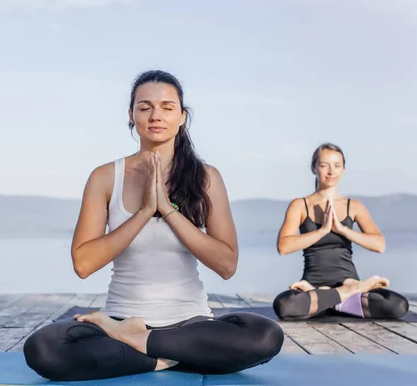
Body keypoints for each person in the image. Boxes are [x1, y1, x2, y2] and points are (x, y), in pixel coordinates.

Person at [22, 70, 284, 381]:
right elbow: (83, 263)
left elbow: (227, 265)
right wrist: (145, 212)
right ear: (131, 116)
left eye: (167, 107)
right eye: (145, 107)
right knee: (44, 348)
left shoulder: (206, 177)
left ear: (182, 116)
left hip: (190, 324)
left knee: (265, 335)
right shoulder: (105, 177)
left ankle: (142, 347)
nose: (155, 115)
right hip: (122, 318)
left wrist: (168, 211)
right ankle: (165, 355)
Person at [272, 143, 409, 321]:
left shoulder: (353, 206)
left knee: (397, 305)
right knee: (284, 305)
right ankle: (343, 297)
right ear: (314, 168)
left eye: (337, 165)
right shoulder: (300, 205)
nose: (331, 171)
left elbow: (379, 245)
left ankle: (336, 298)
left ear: (343, 169)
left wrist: (343, 229)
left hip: (348, 283)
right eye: (324, 165)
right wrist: (322, 231)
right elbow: (284, 247)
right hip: (313, 288)